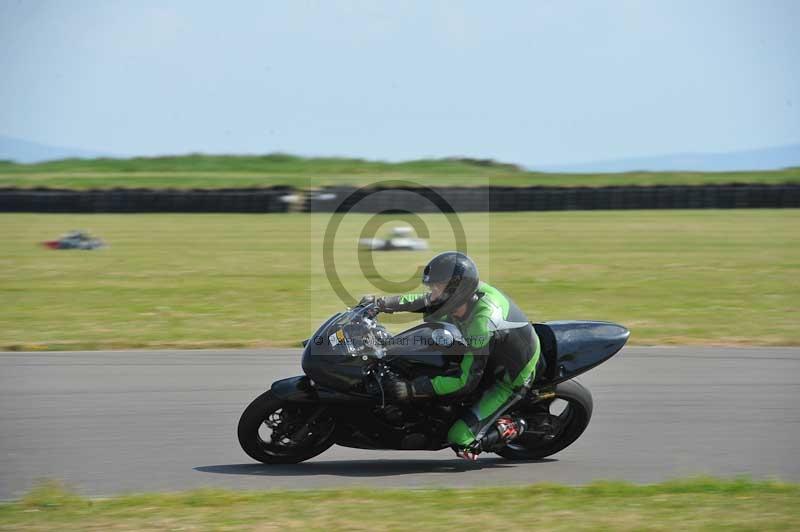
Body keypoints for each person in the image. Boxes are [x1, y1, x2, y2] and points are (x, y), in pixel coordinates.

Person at [360, 251, 541, 460]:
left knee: (461, 439)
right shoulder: (461, 298)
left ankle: (517, 426)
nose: (432, 293)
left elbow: (466, 381)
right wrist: (381, 304)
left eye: (437, 287)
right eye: (433, 287)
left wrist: (413, 388)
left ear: (457, 290)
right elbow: (423, 301)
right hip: (487, 350)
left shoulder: (481, 325)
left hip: (510, 377)